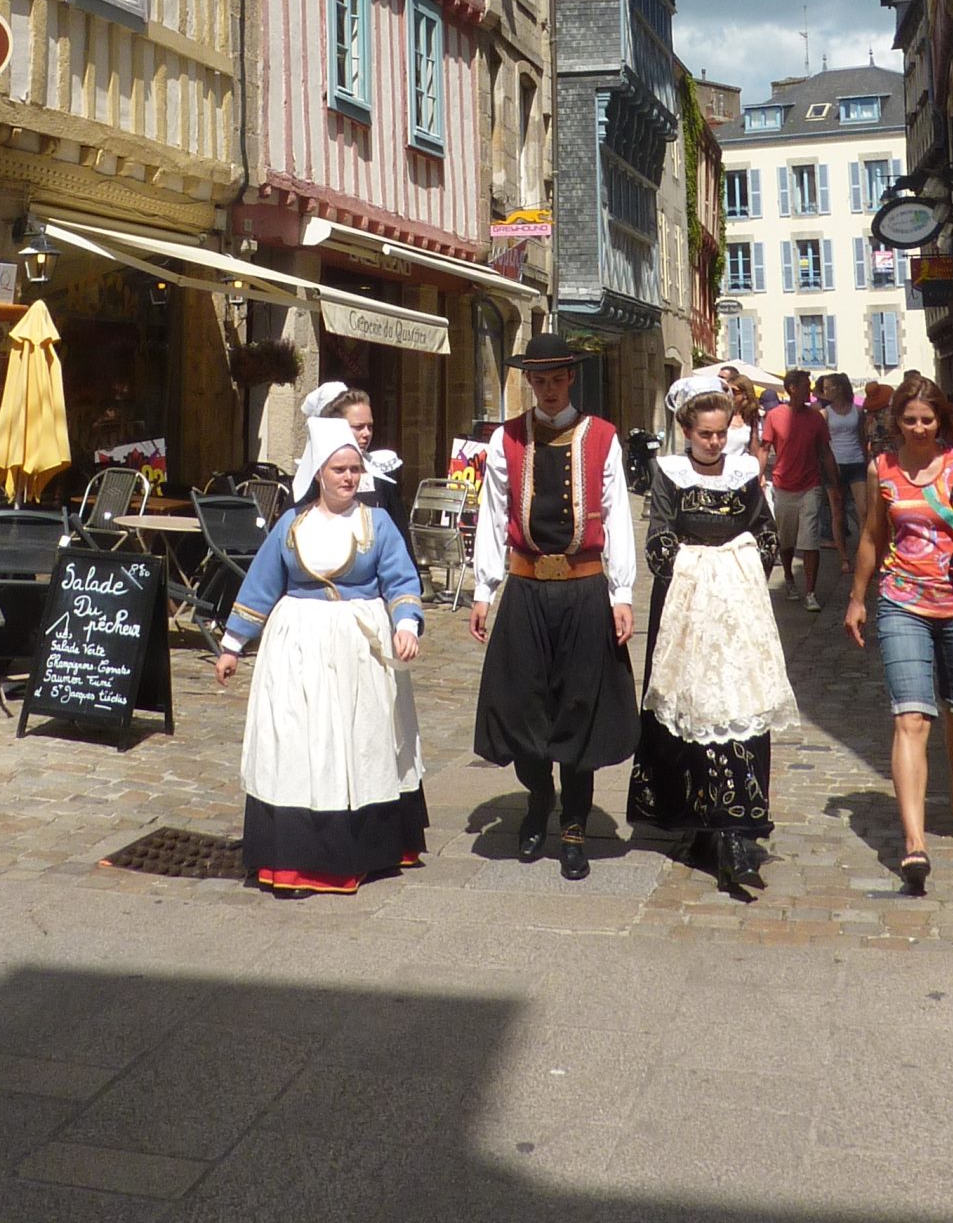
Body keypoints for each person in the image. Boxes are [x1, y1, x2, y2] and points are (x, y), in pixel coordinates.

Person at [215, 419, 427, 894]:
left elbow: (401, 580)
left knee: (357, 745)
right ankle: (294, 856)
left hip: (359, 654)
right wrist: (232, 645)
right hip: (297, 652)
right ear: (319, 473)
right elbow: (261, 585)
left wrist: (406, 625)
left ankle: (362, 848)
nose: (349, 478)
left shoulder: (377, 524)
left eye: (355, 469)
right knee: (297, 744)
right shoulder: (291, 526)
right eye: (339, 470)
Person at [469, 332, 638, 882]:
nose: (546, 388)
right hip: (525, 590)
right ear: (529, 382)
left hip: (584, 589)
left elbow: (615, 518)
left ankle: (574, 826)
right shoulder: (506, 439)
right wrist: (483, 589)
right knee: (522, 707)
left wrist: (622, 593)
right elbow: (494, 515)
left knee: (579, 710)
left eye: (555, 378)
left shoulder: (603, 437)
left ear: (570, 379)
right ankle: (539, 800)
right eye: (537, 380)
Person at [628, 380, 795, 895]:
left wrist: (740, 571)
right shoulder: (668, 474)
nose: (715, 443)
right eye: (705, 435)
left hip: (737, 613)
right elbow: (659, 541)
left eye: (721, 434)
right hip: (685, 608)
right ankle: (703, 823)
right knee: (692, 712)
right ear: (686, 432)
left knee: (738, 706)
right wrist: (700, 565)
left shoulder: (745, 475)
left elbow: (765, 532)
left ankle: (737, 830)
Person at [843, 372, 953, 895]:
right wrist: (859, 597)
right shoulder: (882, 468)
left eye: (928, 420)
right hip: (902, 601)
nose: (920, 429)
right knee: (911, 717)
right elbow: (872, 535)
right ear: (896, 422)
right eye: (910, 420)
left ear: (941, 419)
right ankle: (914, 843)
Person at [759, 369, 845, 611]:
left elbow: (825, 451)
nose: (811, 389)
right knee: (786, 541)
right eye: (806, 385)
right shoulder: (775, 416)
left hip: (811, 485)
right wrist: (758, 477)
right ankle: (788, 577)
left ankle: (810, 591)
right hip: (784, 486)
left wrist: (835, 481)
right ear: (793, 388)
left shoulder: (816, 418)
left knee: (810, 541)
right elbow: (765, 448)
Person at [291, 382, 412, 543]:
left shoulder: (381, 477)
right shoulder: (315, 476)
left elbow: (401, 537)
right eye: (358, 427)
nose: (366, 433)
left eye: (370, 426)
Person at [820, 372, 869, 551]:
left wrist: (866, 458)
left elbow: (862, 438)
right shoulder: (824, 413)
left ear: (838, 388)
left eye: (827, 387)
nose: (824, 392)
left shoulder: (857, 410)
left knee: (863, 511)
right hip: (834, 464)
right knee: (837, 513)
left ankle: (864, 551)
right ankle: (843, 557)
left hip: (856, 461)